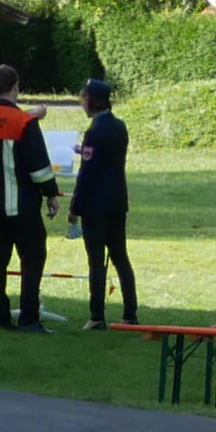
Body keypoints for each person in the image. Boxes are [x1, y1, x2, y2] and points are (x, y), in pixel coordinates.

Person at [0, 64, 57, 331]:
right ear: (15, 87)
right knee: (32, 259)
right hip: (23, 204)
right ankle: (29, 317)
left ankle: (0, 314)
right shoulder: (24, 123)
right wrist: (51, 194)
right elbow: (39, 167)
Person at [68, 75, 137, 327]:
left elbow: (87, 173)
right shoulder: (119, 126)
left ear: (89, 100)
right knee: (120, 256)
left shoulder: (94, 131)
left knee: (96, 260)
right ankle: (130, 313)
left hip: (95, 204)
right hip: (117, 199)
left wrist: (75, 207)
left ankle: (97, 315)